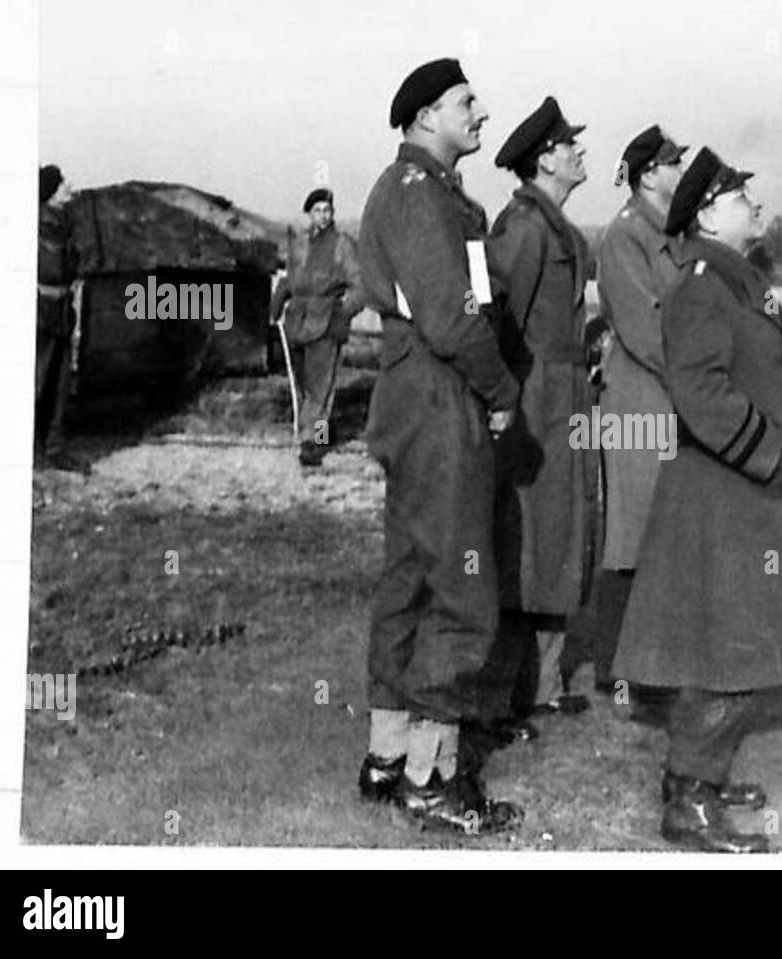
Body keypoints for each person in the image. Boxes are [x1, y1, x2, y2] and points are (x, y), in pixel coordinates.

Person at [612, 148, 782, 853]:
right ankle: (687, 796)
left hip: (748, 492)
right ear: (706, 212)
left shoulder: (738, 278)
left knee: (742, 644)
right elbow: (700, 390)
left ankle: (700, 778)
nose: (756, 205)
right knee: (727, 648)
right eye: (741, 196)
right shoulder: (705, 284)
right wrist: (766, 452)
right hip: (728, 494)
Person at [355, 58, 523, 833]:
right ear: (427, 117)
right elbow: (454, 319)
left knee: (412, 577)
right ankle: (432, 776)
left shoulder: (424, 192)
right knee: (461, 586)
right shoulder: (420, 196)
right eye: (466, 102)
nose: (482, 112)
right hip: (437, 394)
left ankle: (389, 754)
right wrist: (501, 391)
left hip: (416, 395)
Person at [479, 96, 597, 735]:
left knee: (561, 535)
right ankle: (500, 696)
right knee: (522, 541)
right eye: (570, 144)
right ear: (545, 158)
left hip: (563, 402)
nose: (580, 152)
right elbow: (494, 319)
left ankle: (544, 685)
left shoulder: (559, 230)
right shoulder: (523, 230)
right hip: (533, 404)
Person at [593, 125, 687, 717]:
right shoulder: (626, 238)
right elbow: (647, 328)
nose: (682, 172)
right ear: (649, 173)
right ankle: (624, 675)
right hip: (637, 404)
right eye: (674, 162)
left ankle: (653, 668)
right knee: (632, 538)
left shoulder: (669, 236)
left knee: (661, 536)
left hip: (665, 399)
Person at [270, 187, 363, 467]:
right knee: (303, 389)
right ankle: (310, 434)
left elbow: (361, 285)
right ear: (308, 214)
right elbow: (289, 279)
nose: (323, 215)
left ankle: (315, 444)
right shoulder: (298, 243)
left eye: (327, 210)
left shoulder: (342, 245)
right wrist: (275, 305)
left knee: (321, 392)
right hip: (296, 322)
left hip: (326, 323)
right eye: (317, 210)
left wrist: (343, 313)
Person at [36, 164, 80, 470]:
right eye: (63, 184)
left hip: (64, 310)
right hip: (40, 310)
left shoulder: (66, 225)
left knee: (60, 383)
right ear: (50, 192)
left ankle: (54, 449)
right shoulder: (33, 225)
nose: (70, 188)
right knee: (36, 381)